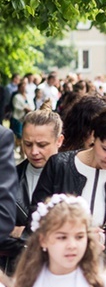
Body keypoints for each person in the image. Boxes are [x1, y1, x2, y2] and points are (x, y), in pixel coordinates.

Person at [32, 104, 106, 252]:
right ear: (94, 137)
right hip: (58, 259)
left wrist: (103, 240)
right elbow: (36, 214)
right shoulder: (59, 165)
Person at [3, 110, 63, 277]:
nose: (34, 151)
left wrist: (19, 232)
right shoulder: (6, 177)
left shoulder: (72, 176)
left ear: (59, 140)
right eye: (27, 144)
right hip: (14, 272)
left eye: (42, 145)